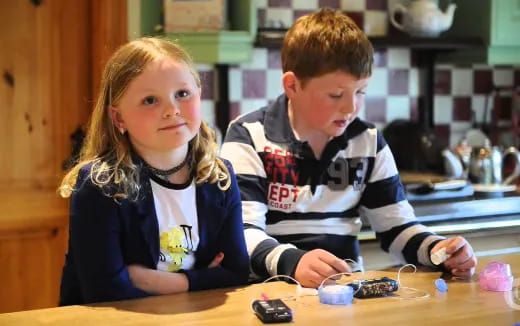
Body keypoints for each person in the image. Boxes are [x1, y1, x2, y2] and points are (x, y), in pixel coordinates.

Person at [221, 9, 477, 288]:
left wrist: (438, 251)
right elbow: (241, 233)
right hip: (269, 293)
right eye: (336, 95)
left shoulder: (367, 140)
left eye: (361, 92)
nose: (351, 108)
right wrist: (293, 262)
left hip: (344, 293)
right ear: (292, 86)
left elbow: (397, 228)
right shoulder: (248, 136)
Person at [58, 37, 249, 305]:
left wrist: (151, 280)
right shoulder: (99, 185)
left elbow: (236, 273)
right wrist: (202, 279)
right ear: (119, 118)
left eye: (182, 94)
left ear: (199, 93)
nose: (172, 110)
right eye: (150, 100)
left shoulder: (219, 176)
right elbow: (106, 294)